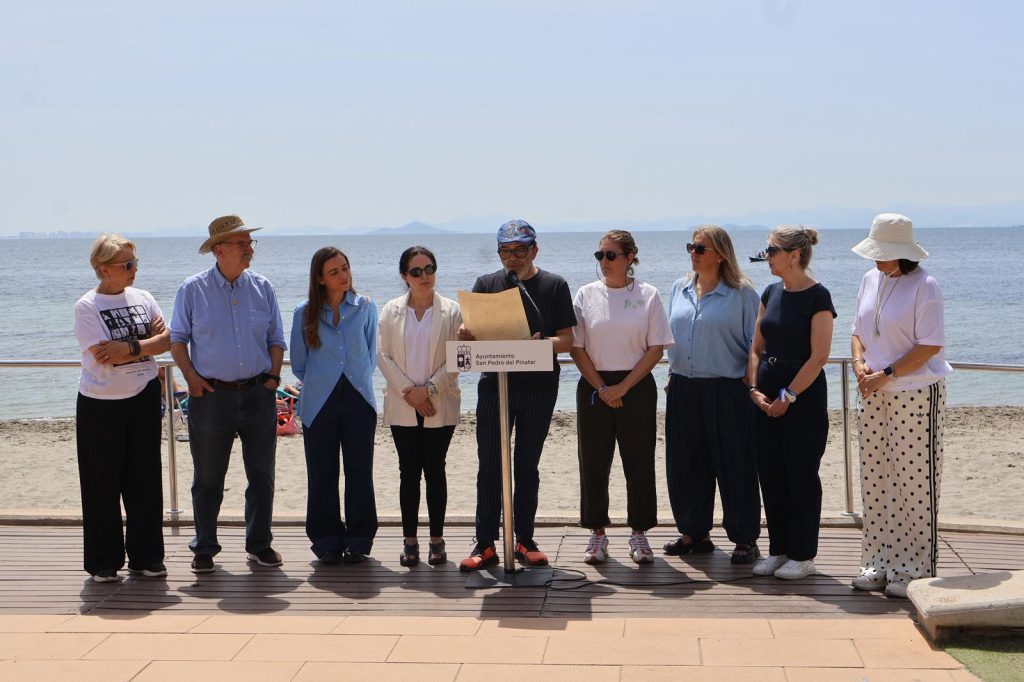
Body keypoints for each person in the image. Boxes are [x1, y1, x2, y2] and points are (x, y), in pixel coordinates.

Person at [169, 215, 286, 573]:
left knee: (262, 475)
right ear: (219, 250)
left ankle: (259, 544)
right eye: (242, 243)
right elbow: (178, 340)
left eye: (250, 242)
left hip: (258, 393)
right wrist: (190, 378)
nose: (250, 248)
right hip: (210, 396)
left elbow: (276, 339)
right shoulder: (192, 289)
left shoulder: (263, 287)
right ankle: (204, 546)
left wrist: (272, 379)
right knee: (208, 477)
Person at [458, 219, 576, 571]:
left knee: (526, 465)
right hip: (495, 386)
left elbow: (567, 340)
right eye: (505, 251)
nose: (512, 258)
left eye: (520, 250)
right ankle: (485, 543)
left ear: (534, 250)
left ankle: (524, 538)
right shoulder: (486, 284)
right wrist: (465, 334)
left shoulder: (554, 285)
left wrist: (542, 344)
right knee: (490, 465)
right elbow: (471, 335)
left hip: (539, 388)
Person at [850, 213, 951, 599]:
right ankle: (877, 562)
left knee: (914, 482)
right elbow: (857, 332)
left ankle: (914, 568)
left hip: (914, 391)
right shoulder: (869, 279)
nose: (876, 258)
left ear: (902, 252)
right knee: (875, 478)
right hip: (873, 391)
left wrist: (887, 373)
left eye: (883, 251)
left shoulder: (925, 285)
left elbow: (930, 345)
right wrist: (860, 364)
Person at [570, 230, 672, 565]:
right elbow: (576, 348)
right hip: (594, 386)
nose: (604, 261)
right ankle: (597, 533)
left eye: (611, 255)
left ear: (630, 257)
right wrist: (603, 388)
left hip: (636, 386)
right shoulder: (585, 294)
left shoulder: (648, 294)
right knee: (593, 462)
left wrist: (624, 387)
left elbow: (656, 348)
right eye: (600, 255)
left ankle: (639, 532)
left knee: (639, 462)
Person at [74, 234, 170, 582]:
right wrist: (145, 344)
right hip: (100, 402)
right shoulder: (87, 306)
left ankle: (147, 557)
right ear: (104, 269)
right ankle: (104, 560)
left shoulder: (144, 298)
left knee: (145, 479)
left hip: (144, 395)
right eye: (127, 264)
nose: (134, 270)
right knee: (101, 482)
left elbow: (167, 340)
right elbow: (104, 356)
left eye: (135, 262)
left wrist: (128, 348)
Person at [664, 226, 762, 564]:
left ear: (720, 254)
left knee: (735, 465)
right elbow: (670, 337)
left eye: (700, 248)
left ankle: (745, 538)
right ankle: (694, 532)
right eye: (691, 247)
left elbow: (757, 344)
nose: (693, 253)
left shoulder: (742, 294)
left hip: (727, 389)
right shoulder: (679, 288)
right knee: (685, 464)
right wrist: (671, 374)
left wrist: (751, 382)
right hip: (683, 386)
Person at [748, 226, 836, 580]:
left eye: (771, 251)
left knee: (801, 474)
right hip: (765, 393)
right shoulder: (770, 292)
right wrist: (754, 388)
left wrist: (788, 396)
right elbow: (756, 348)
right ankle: (779, 550)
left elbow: (819, 357)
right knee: (770, 473)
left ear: (794, 255)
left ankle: (803, 555)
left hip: (803, 396)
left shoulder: (818, 297)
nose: (766, 257)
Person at [291, 247, 379, 565]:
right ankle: (326, 540)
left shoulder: (366, 307)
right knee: (322, 473)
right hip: (319, 402)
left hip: (359, 399)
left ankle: (359, 539)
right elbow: (299, 363)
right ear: (320, 279)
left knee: (359, 472)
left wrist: (350, 382)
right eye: (334, 272)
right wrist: (325, 381)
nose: (344, 275)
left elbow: (371, 355)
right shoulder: (304, 313)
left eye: (345, 268)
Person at [378, 246, 462, 567]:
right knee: (408, 472)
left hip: (440, 402)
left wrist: (428, 390)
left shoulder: (452, 311)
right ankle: (410, 541)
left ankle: (437, 540)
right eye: (416, 271)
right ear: (405, 276)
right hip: (402, 404)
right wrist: (409, 392)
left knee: (436, 469)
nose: (424, 276)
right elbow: (382, 355)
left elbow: (457, 357)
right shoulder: (390, 310)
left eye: (429, 269)